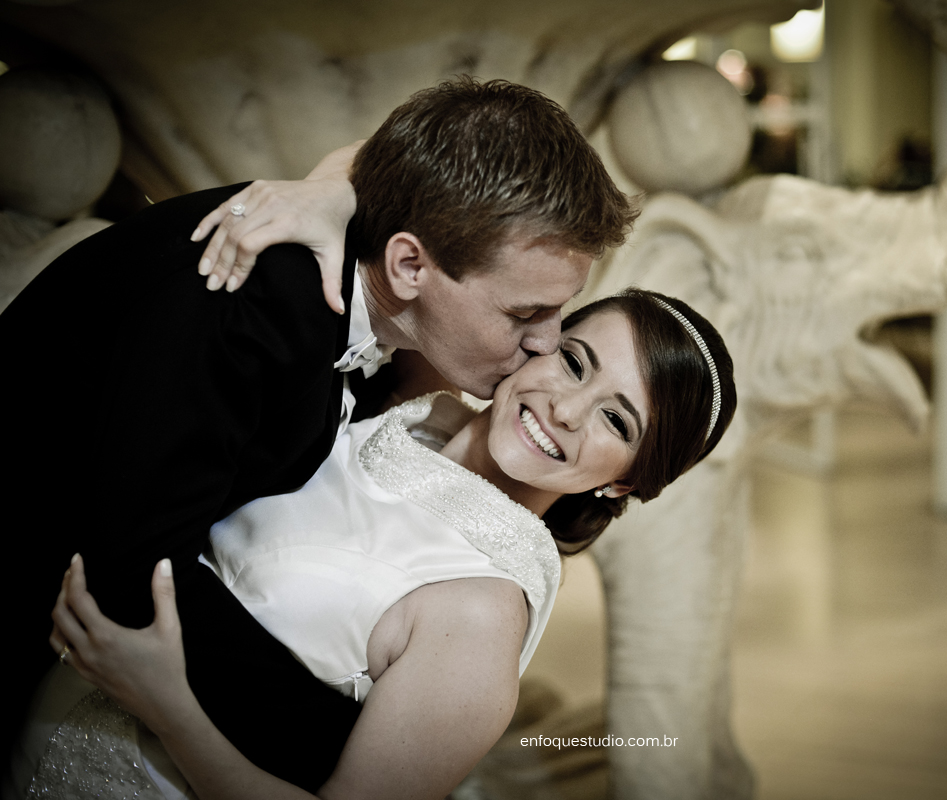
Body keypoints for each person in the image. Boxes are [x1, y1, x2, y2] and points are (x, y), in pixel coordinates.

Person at [0, 76, 634, 790]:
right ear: (409, 265)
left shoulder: (357, 284)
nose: (546, 343)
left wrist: (334, 184)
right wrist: (370, 752)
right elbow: (131, 574)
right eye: (523, 314)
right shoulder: (248, 309)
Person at [28, 289, 737, 800]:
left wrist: (168, 707)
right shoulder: (391, 400)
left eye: (617, 421)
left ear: (624, 482)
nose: (567, 409)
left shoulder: (481, 616)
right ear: (542, 340)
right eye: (576, 363)